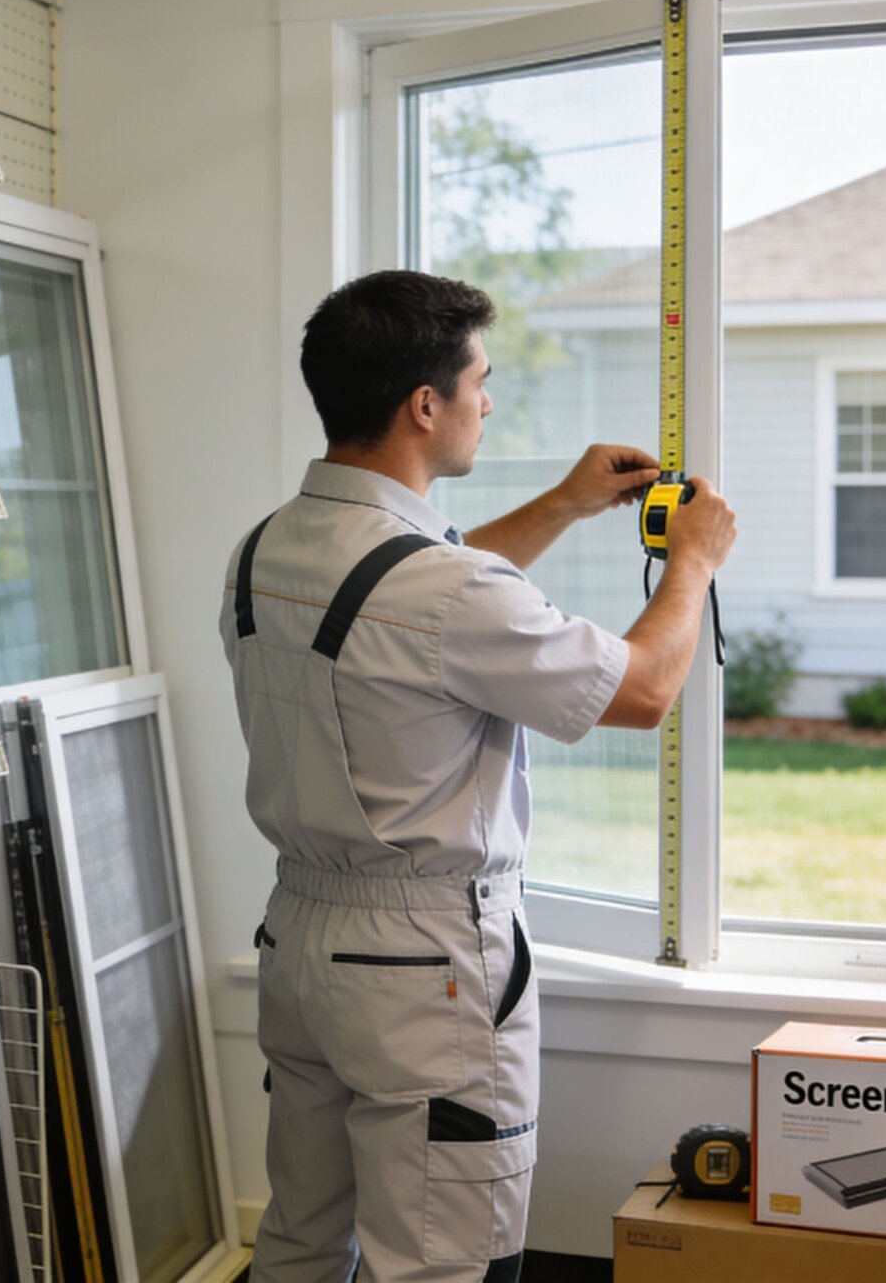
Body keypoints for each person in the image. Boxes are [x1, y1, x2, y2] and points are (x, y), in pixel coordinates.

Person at [224, 270, 736, 1283]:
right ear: (426, 405)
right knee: (446, 1261)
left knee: (299, 1242)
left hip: (300, 943)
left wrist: (563, 506)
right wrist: (692, 562)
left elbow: (405, 599)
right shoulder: (442, 588)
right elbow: (640, 690)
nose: (488, 402)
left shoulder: (268, 547)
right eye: (480, 381)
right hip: (423, 969)